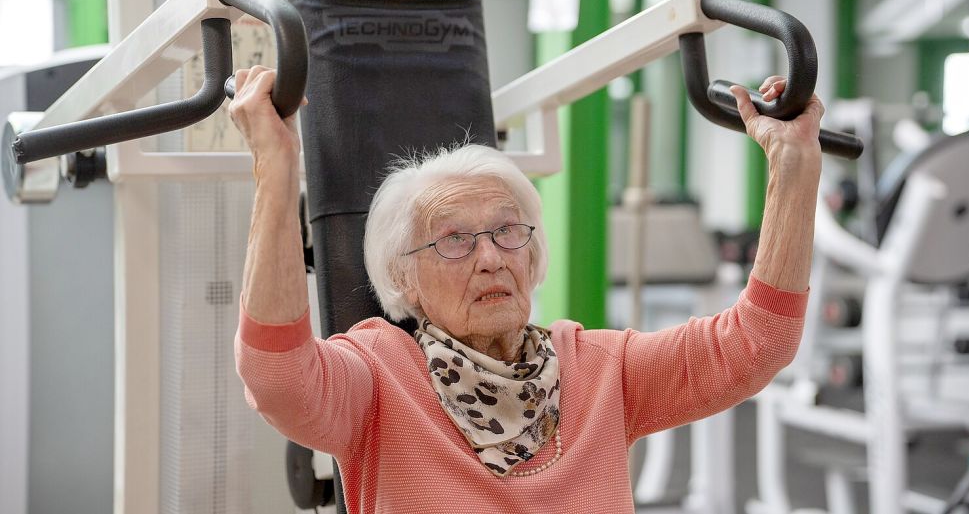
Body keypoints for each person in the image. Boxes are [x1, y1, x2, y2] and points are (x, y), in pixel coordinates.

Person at [230, 65, 822, 513]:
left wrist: (793, 167)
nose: (490, 258)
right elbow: (279, 377)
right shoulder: (379, 380)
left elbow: (759, 340)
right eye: (454, 241)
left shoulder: (600, 371)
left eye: (507, 232)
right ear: (404, 279)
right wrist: (276, 168)